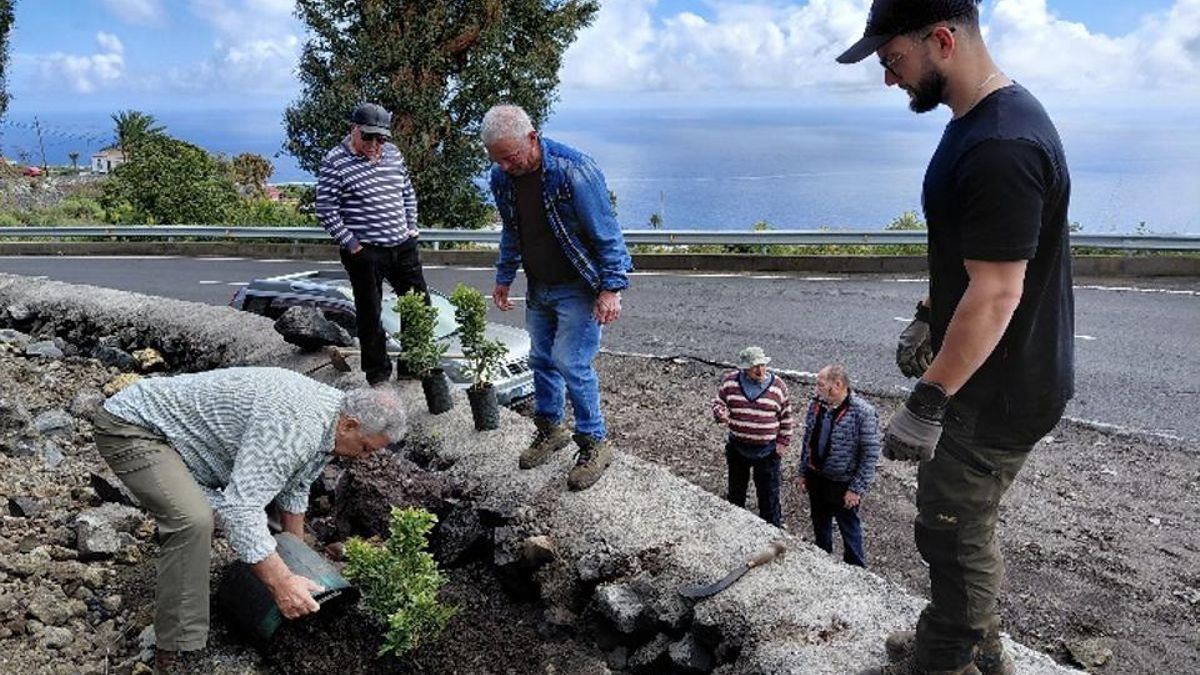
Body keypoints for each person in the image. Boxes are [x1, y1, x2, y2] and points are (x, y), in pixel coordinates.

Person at [837, 1, 1074, 674]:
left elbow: (998, 292)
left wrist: (929, 399)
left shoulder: (1003, 145)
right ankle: (977, 642)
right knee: (957, 521)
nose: (890, 79)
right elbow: (974, 256)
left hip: (999, 388)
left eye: (893, 61)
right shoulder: (977, 121)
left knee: (951, 526)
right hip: (986, 372)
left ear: (941, 39)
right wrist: (927, 308)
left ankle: (945, 652)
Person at [91, 367, 407, 671]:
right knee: (195, 520)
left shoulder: (330, 421)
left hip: (191, 451)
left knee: (248, 526)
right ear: (349, 425)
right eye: (365, 448)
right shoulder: (298, 425)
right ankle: (174, 647)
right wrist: (282, 584)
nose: (364, 457)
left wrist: (296, 557)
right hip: (136, 429)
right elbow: (240, 509)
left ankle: (188, 524)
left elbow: (295, 484)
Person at [481, 103, 633, 492]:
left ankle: (594, 441)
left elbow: (608, 233)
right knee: (540, 359)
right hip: (539, 285)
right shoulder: (502, 176)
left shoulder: (574, 171)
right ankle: (550, 429)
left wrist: (611, 288)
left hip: (578, 286)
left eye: (510, 157)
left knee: (572, 363)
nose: (505, 167)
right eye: (497, 160)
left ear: (532, 138)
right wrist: (503, 277)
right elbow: (512, 233)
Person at [316, 101, 429, 386]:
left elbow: (406, 192)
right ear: (353, 130)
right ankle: (378, 375)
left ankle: (412, 366)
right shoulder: (334, 161)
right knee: (370, 312)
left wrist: (411, 227)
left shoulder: (392, 153)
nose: (374, 143)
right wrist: (352, 244)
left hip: (402, 244)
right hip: (365, 250)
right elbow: (326, 208)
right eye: (368, 136)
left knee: (419, 304)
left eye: (380, 137)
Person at [795, 365, 881, 567]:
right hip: (817, 478)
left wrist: (856, 489)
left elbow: (870, 455)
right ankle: (823, 562)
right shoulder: (817, 404)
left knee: (849, 527)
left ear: (837, 385)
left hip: (843, 484)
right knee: (820, 522)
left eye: (820, 384)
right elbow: (808, 439)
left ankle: (856, 570)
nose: (816, 389)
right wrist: (802, 471)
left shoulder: (863, 413)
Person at [711, 346, 793, 526]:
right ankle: (735, 526)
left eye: (762, 365)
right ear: (744, 368)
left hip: (767, 451)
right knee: (736, 491)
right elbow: (718, 402)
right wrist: (720, 413)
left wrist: (783, 443)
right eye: (755, 366)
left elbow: (786, 417)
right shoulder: (730, 382)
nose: (760, 370)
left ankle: (772, 530)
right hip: (738, 448)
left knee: (769, 495)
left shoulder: (778, 386)